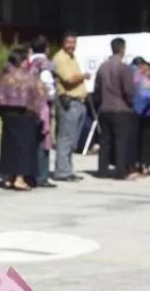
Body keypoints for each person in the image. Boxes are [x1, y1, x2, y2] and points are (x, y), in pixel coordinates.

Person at [0, 48, 47, 190]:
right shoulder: (27, 76)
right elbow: (39, 94)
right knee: (24, 147)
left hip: (8, 114)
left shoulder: (4, 76)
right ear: (22, 61)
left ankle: (9, 177)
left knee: (9, 147)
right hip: (24, 115)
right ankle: (20, 178)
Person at [94, 37, 136, 180]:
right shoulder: (124, 68)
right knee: (120, 141)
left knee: (105, 141)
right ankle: (120, 171)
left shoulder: (102, 67)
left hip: (105, 108)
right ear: (122, 49)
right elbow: (128, 90)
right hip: (121, 109)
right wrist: (131, 103)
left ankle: (102, 170)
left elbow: (97, 89)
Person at [51, 31, 90, 182]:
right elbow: (68, 79)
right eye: (69, 42)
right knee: (65, 138)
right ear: (63, 43)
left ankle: (68, 169)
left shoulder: (73, 58)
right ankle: (62, 171)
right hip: (68, 102)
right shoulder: (60, 58)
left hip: (79, 102)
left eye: (74, 43)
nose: (72, 46)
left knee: (73, 139)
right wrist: (84, 76)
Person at [28, 36, 57, 188]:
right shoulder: (45, 65)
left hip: (26, 107)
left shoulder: (26, 63)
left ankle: (28, 174)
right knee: (43, 141)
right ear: (46, 48)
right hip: (42, 107)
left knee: (30, 140)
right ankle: (41, 176)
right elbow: (49, 88)